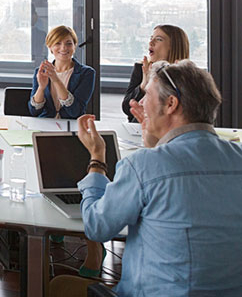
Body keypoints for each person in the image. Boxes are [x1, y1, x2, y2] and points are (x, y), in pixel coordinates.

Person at [49, 60, 242, 297]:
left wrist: (97, 159)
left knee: (59, 287)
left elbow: (96, 227)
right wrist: (154, 143)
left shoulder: (143, 166)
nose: (139, 103)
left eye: (147, 94)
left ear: (171, 104)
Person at [121, 24, 189, 121]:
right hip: (137, 128)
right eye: (151, 38)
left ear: (173, 46)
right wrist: (143, 86)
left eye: (159, 39)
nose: (151, 42)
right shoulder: (142, 68)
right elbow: (127, 109)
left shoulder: (185, 75)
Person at [29, 25, 95, 119]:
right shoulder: (40, 71)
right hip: (44, 125)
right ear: (50, 47)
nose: (63, 48)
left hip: (71, 127)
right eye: (58, 43)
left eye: (68, 43)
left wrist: (56, 80)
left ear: (74, 46)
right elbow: (33, 111)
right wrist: (41, 87)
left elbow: (75, 111)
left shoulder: (87, 73)